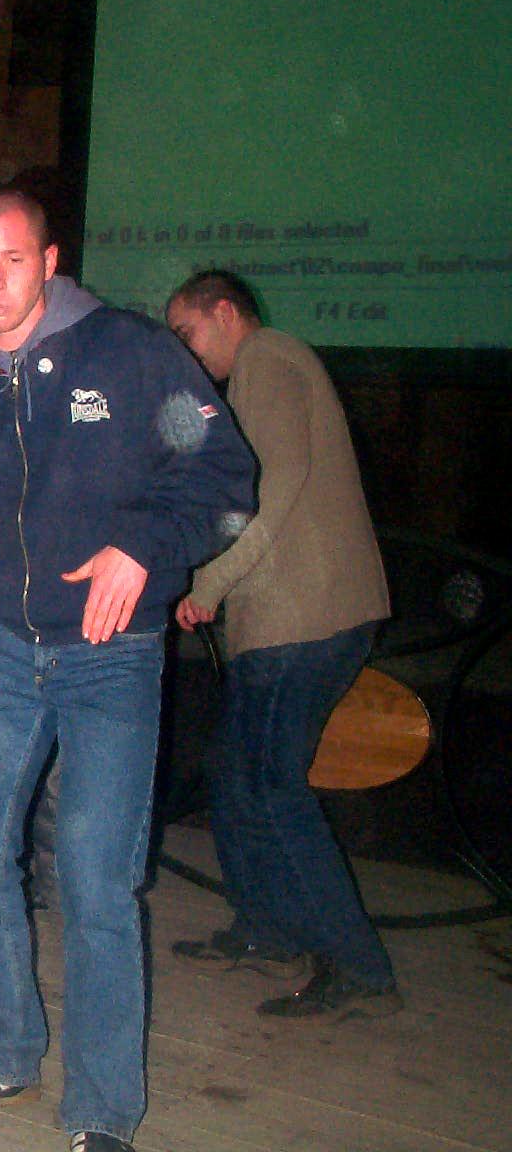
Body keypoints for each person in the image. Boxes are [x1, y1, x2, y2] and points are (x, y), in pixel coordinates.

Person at [0, 187, 255, 1152]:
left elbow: (224, 478)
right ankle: (1, 1051)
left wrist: (141, 546)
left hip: (111, 655)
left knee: (95, 884)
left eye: (13, 260)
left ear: (49, 262)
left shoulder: (130, 353)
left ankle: (100, 1111)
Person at [165, 269, 399, 1020]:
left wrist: (210, 584)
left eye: (187, 332)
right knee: (235, 774)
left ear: (225, 312)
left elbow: (277, 483)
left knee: (271, 786)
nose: (186, 351)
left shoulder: (266, 358)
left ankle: (359, 968)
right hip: (291, 618)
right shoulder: (265, 370)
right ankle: (267, 929)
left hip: (305, 617)